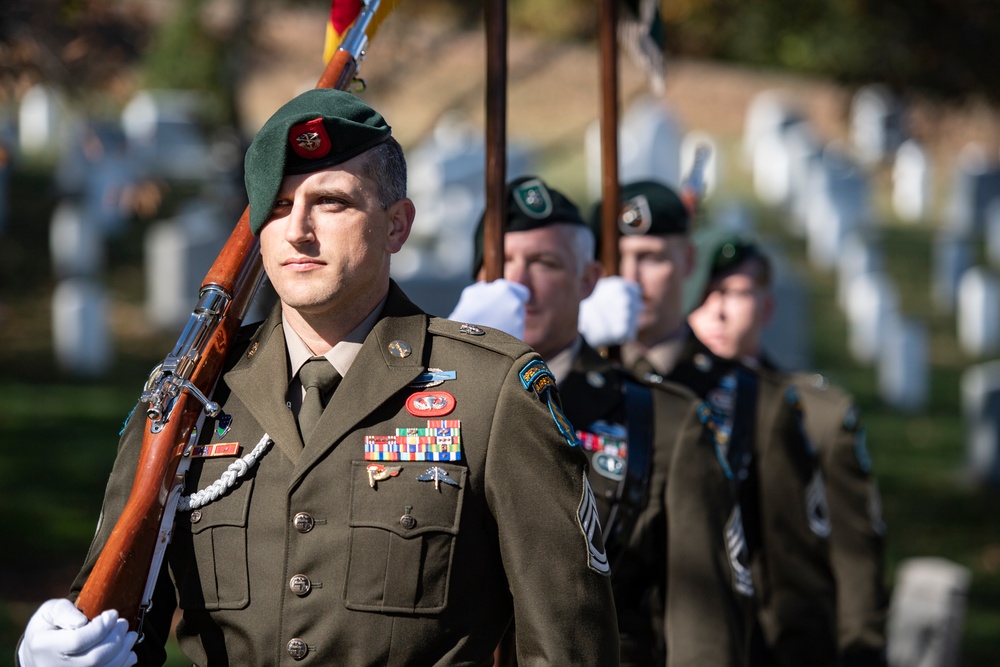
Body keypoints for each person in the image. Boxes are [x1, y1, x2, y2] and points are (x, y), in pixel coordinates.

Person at [18, 89, 620, 666]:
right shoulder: (192, 395)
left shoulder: (492, 393)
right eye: (278, 207)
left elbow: (569, 646)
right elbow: (124, 615)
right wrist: (73, 647)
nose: (298, 231)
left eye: (330, 202)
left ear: (397, 225)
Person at [451, 176, 753, 666]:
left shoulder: (666, 424)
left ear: (589, 280)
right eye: (501, 265)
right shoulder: (419, 409)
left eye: (545, 263)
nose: (520, 285)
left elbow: (702, 628)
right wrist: (461, 361)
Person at [582, 179, 838, 667]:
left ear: (689, 263)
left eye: (654, 257)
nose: (633, 277)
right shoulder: (561, 392)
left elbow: (796, 590)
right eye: (621, 257)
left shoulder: (752, 401)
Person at [687, 232, 889, 667]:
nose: (717, 311)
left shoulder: (819, 416)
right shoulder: (653, 405)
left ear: (767, 306)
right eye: (705, 294)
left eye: (735, 293)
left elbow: (854, 562)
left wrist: (860, 652)